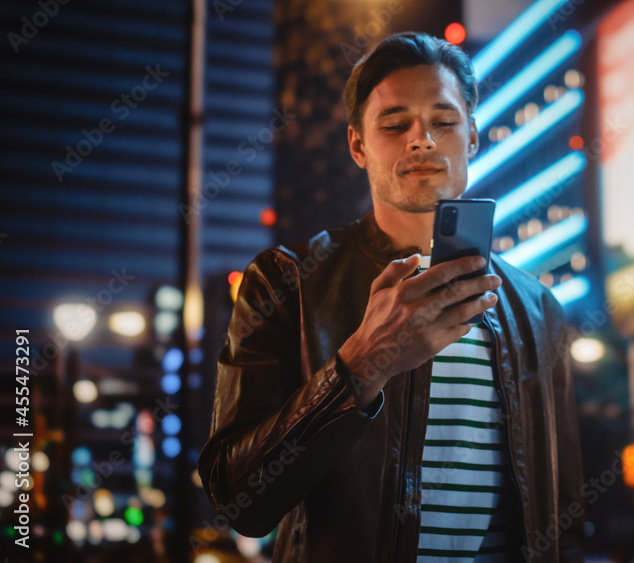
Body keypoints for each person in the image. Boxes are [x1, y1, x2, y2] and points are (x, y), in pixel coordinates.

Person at [198, 32, 585, 562]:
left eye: (443, 122)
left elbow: (564, 513)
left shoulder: (539, 309)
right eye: (395, 123)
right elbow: (237, 499)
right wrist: (359, 366)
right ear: (358, 144)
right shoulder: (287, 279)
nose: (421, 139)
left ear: (471, 137)